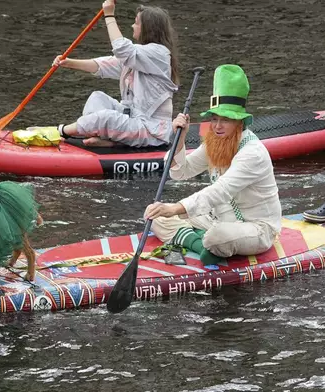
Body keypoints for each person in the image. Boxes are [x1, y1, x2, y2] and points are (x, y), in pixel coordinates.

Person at [144, 64, 282, 265]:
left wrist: (175, 208)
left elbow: (220, 191)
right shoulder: (215, 143)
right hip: (215, 220)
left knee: (216, 236)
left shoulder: (253, 153)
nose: (217, 126)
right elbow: (180, 172)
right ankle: (199, 244)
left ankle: (198, 239)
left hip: (256, 228)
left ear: (240, 123)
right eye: (214, 119)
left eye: (225, 120)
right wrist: (180, 139)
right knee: (155, 217)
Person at [52, 1, 179, 148]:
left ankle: (60, 131)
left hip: (152, 131)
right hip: (133, 120)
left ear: (148, 28)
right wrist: (69, 63)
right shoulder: (139, 56)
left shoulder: (159, 54)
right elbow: (104, 65)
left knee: (106, 118)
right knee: (97, 97)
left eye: (136, 23)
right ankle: (106, 139)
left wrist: (109, 15)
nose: (132, 25)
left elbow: (122, 50)